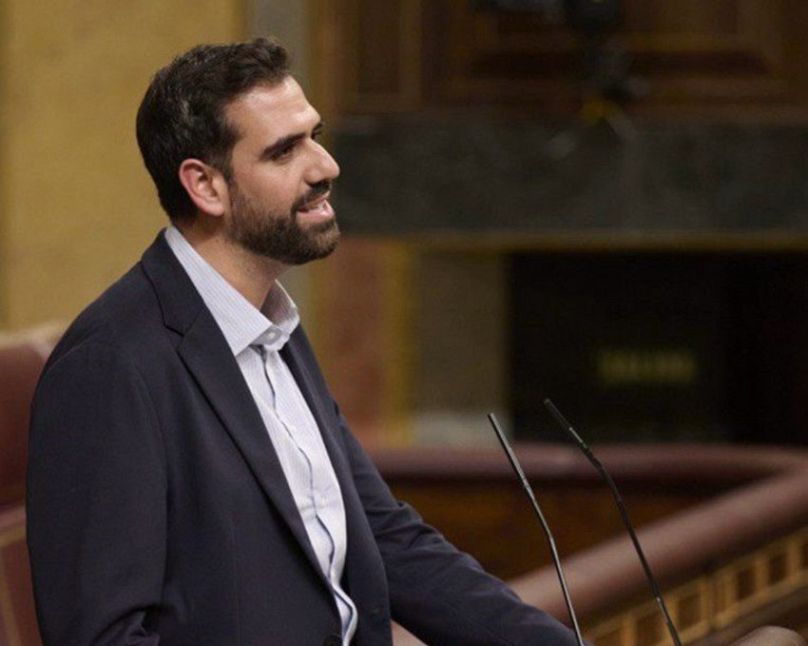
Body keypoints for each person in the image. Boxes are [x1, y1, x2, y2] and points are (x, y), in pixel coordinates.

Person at [26, 38, 582, 646]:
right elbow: (100, 638)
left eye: (313, 135)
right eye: (285, 150)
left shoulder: (273, 323)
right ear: (205, 186)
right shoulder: (111, 364)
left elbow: (383, 536)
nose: (325, 167)